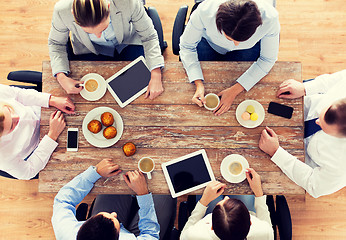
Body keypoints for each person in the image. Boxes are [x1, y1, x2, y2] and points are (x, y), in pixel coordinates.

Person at [179, 0, 280, 116]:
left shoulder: (270, 18)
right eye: (230, 39)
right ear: (218, 22)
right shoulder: (204, 11)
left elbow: (267, 59)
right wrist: (198, 83)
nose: (235, 45)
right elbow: (187, 46)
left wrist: (234, 91)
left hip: (247, 50)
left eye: (240, 41)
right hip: (208, 43)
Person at [48, 0, 164, 99]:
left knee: (139, 88)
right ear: (73, 14)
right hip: (90, 50)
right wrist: (61, 77)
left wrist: (156, 74)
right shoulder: (61, 11)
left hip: (127, 43)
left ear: (108, 7)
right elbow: (55, 43)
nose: (98, 36)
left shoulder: (128, 2)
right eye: (89, 32)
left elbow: (149, 36)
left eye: (103, 28)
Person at [259, 69, 346, 198]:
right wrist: (305, 88)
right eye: (321, 115)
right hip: (303, 103)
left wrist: (276, 153)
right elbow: (337, 79)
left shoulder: (341, 166)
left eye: (324, 128)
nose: (317, 121)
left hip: (299, 158)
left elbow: (314, 185)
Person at [52, 158, 176, 240]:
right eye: (115, 219)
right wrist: (143, 194)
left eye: (107, 215)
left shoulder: (67, 232)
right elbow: (151, 236)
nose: (114, 214)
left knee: (115, 180)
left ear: (81, 227)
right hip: (139, 236)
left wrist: (95, 173)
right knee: (166, 189)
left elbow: (62, 200)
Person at [0, 84, 74, 180]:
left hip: (38, 109)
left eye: (9, 110)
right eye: (11, 127)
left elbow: (18, 94)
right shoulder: (2, 157)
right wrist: (52, 135)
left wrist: (51, 100)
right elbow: (28, 172)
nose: (18, 117)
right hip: (37, 146)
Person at [180, 168, 274, 240]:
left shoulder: (194, 236)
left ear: (212, 226)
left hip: (206, 219)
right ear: (250, 222)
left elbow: (183, 235)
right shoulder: (264, 232)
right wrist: (258, 192)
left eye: (220, 204)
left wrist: (204, 201)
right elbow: (265, 222)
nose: (227, 197)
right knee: (242, 183)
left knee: (208, 179)